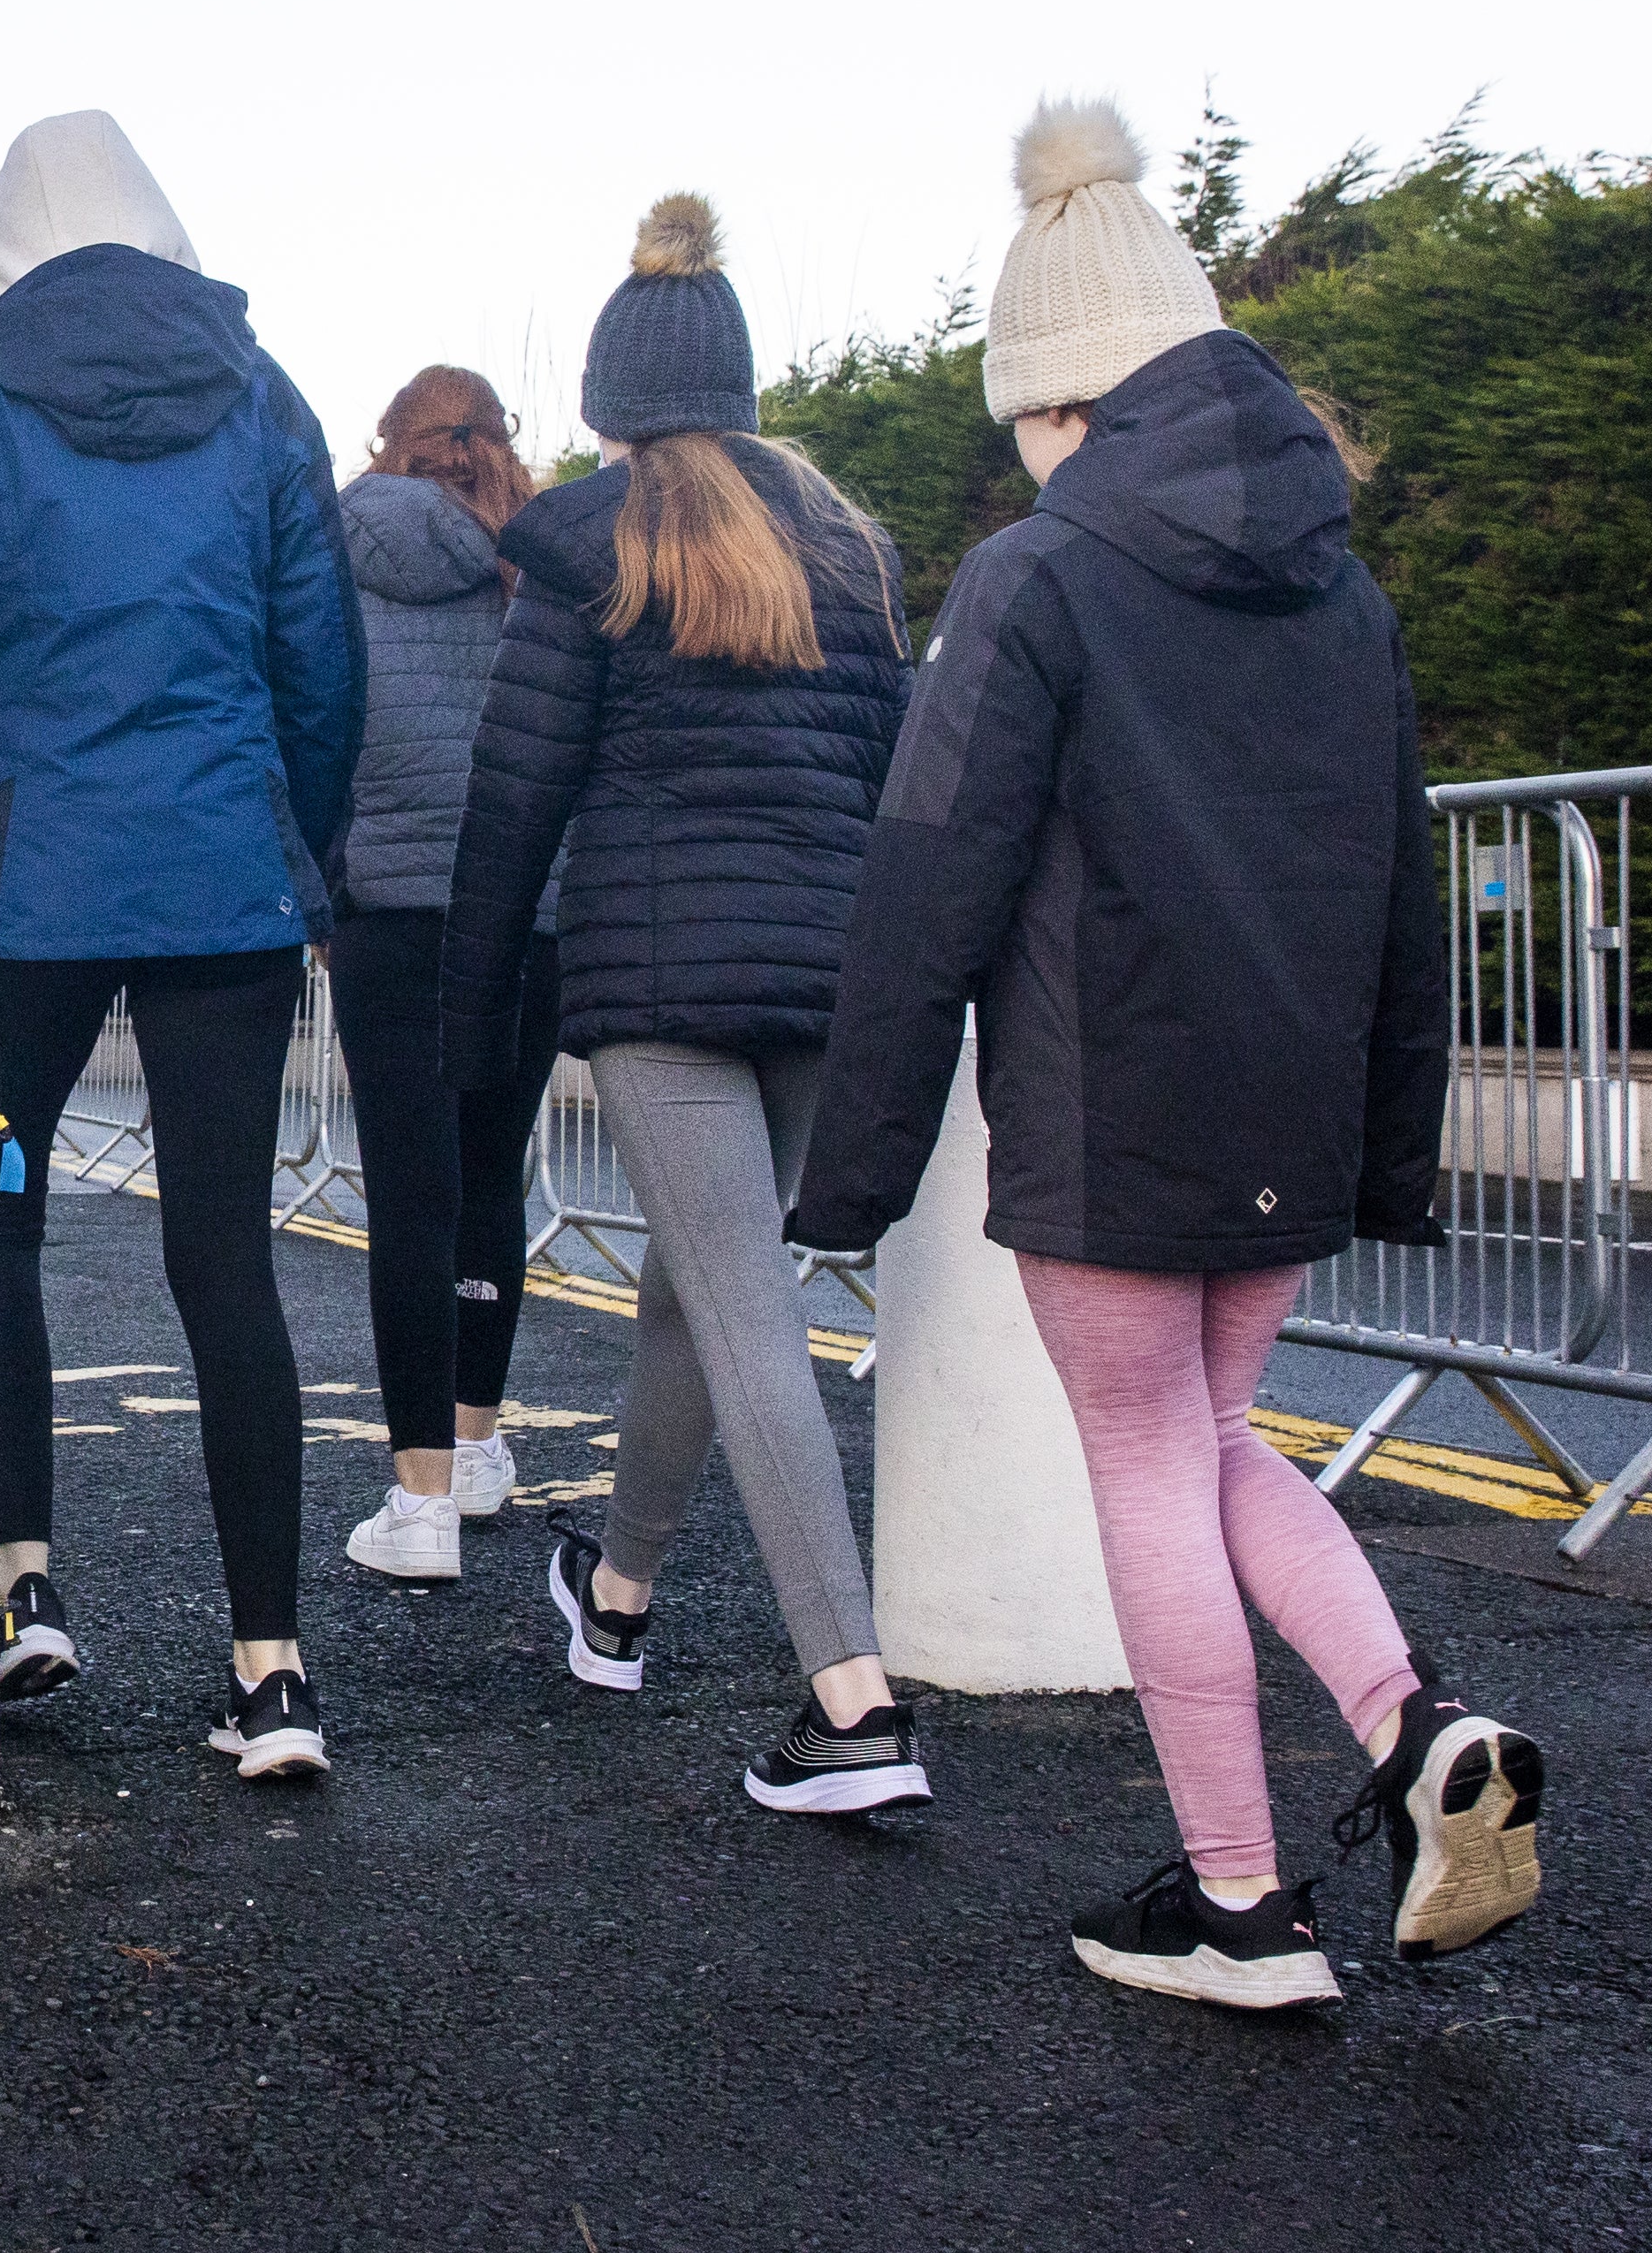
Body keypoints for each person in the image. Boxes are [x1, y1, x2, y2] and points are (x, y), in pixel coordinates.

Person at [788, 99, 1540, 2007]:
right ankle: (1405, 1720)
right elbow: (1395, 890)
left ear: (1057, 402)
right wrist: (1390, 1146)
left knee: (1140, 1454)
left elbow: (923, 886)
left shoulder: (1036, 582)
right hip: (1283, 1097)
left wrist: (851, 1176)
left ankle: (1237, 1906)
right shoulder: (1339, 587)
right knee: (1214, 1439)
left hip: (1105, 1101)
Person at [0, 110, 363, 1782]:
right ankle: (270, 1673)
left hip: (30, 874)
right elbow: (318, 654)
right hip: (221, 875)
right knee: (226, 1261)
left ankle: (22, 1586)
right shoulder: (259, 390)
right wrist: (301, 835)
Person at [438, 191, 925, 1815]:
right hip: (827, 968)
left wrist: (469, 1003)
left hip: (657, 975)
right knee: (699, 1293)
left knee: (739, 1308)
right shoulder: (849, 550)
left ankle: (852, 1705)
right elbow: (893, 777)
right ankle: (618, 1596)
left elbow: (515, 799)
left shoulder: (591, 540)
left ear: (607, 399)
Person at [325, 367, 564, 1576]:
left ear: (391, 445)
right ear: (492, 446)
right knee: (490, 1180)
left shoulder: (330, 550)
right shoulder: (543, 555)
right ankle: (475, 1448)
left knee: (408, 1195)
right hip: (527, 915)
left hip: (390, 912)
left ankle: (415, 1503)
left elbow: (306, 725)